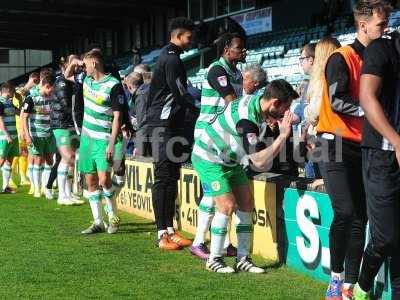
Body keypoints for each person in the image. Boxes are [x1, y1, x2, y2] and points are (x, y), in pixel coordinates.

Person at [315, 1, 391, 299]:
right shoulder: (341, 57)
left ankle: (348, 285)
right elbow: (337, 101)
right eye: (381, 26)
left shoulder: (379, 59)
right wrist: (372, 109)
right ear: (363, 26)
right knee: (345, 212)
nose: (385, 31)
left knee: (361, 216)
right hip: (333, 143)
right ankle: (334, 280)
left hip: (362, 145)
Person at [192, 79, 298, 273]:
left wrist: (273, 122)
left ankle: (243, 259)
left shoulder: (257, 103)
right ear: (274, 102)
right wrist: (283, 136)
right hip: (209, 157)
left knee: (247, 203)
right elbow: (258, 161)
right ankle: (214, 259)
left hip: (230, 160)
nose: (287, 112)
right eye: (286, 107)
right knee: (227, 205)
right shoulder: (247, 120)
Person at [353, 9, 400, 300]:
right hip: (381, 156)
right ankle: (362, 286)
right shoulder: (381, 48)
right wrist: (397, 141)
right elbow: (366, 96)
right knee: (385, 237)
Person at [189, 32, 246, 260]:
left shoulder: (237, 72)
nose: (243, 51)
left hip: (224, 136)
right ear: (226, 49)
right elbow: (232, 101)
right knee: (214, 193)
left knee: (219, 192)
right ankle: (199, 241)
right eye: (239, 47)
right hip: (208, 135)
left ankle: (222, 242)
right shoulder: (216, 70)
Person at [145, 17, 195, 250]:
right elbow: (180, 94)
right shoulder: (171, 59)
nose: (191, 40)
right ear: (179, 35)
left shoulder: (169, 56)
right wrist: (199, 111)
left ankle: (170, 229)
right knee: (163, 178)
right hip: (162, 125)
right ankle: (161, 233)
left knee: (171, 177)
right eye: (189, 36)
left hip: (169, 124)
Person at [76, 50, 125, 235]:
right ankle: (97, 222)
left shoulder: (113, 85)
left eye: (86, 64)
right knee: (91, 181)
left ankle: (112, 216)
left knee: (104, 180)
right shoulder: (85, 80)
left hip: (104, 139)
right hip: (87, 138)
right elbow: (67, 75)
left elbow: (117, 117)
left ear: (94, 64)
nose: (84, 68)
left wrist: (112, 144)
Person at [303, 37, 340, 188]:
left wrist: (305, 109)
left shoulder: (323, 78)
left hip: (324, 139)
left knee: (324, 182)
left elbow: (314, 112)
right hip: (331, 139)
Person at [51, 56, 84, 206]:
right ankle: (62, 195)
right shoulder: (61, 82)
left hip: (71, 124)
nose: (77, 69)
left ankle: (69, 193)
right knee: (68, 157)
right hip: (61, 125)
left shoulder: (74, 82)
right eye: (74, 66)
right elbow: (67, 105)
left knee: (71, 161)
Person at [21, 74, 57, 199]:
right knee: (37, 161)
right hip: (36, 135)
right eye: (51, 90)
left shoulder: (52, 98)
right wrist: (27, 135)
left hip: (49, 134)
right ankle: (36, 188)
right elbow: (24, 118)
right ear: (46, 86)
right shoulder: (31, 98)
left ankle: (46, 188)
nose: (52, 93)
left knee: (50, 161)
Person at [0, 82, 19, 193]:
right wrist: (7, 135)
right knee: (1, 160)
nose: (14, 93)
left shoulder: (10, 102)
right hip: (4, 137)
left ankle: (5, 187)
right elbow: (0, 121)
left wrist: (20, 100)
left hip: (14, 136)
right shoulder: (0, 102)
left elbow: (20, 111)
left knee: (9, 161)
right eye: (13, 91)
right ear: (7, 90)